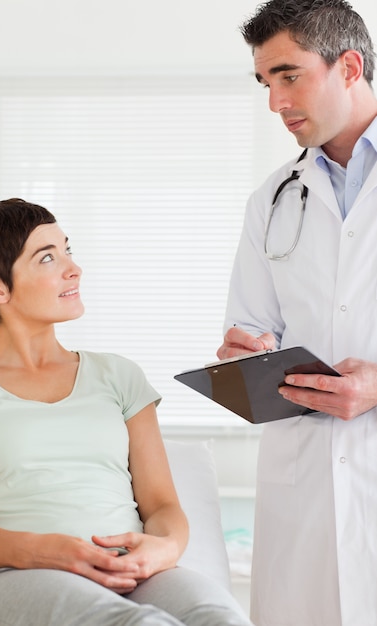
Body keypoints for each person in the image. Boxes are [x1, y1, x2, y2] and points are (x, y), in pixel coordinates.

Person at [0, 198, 252, 626]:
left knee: (221, 618)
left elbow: (162, 506)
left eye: (67, 250)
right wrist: (49, 550)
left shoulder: (118, 375)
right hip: (20, 574)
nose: (73, 269)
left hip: (131, 569)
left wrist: (163, 549)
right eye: (47, 257)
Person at [216, 1, 377, 625]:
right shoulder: (272, 200)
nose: (276, 102)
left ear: (349, 66)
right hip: (303, 481)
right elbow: (252, 324)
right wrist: (245, 354)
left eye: (289, 76)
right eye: (265, 83)